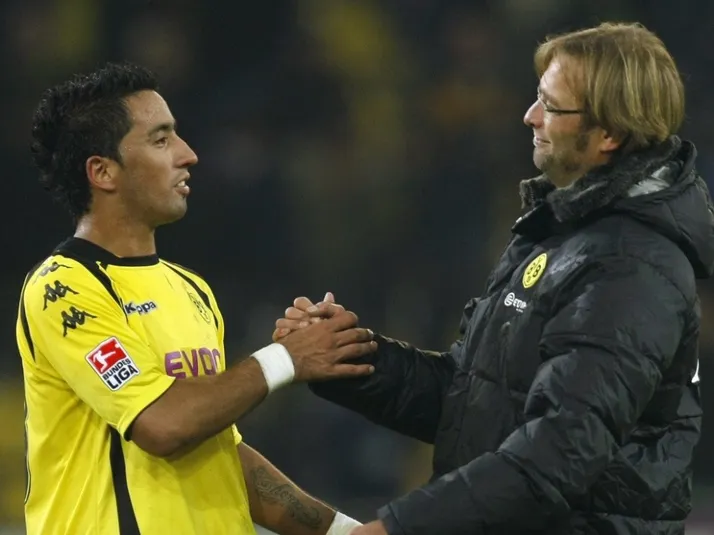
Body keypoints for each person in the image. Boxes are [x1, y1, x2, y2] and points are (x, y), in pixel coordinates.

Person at [275, 22, 714, 535]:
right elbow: (475, 403)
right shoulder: (561, 234)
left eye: (551, 106)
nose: (530, 116)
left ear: (609, 134)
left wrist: (396, 528)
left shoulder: (631, 267)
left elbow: (558, 452)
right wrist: (344, 359)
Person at [16, 62, 376, 535]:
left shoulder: (191, 289)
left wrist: (344, 531)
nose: (188, 155)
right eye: (161, 140)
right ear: (102, 171)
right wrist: (286, 358)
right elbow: (162, 424)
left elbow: (219, 453)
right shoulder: (64, 289)